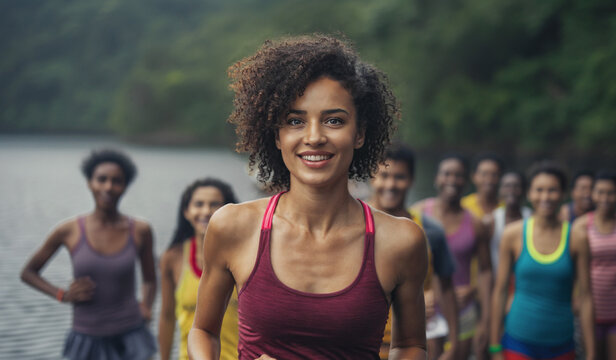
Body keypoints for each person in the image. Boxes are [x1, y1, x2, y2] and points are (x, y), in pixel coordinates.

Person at [188, 34, 428, 360]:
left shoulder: (401, 240)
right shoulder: (233, 226)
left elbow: (410, 345)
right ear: (276, 135)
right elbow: (203, 331)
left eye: (334, 120)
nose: (314, 137)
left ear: (359, 133)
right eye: (295, 121)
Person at [20, 149, 157, 360]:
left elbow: (149, 279)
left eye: (116, 181)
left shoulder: (140, 230)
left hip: (131, 336)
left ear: (125, 186)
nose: (108, 187)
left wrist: (146, 306)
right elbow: (28, 273)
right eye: (101, 179)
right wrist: (61, 294)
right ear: (89, 183)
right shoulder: (69, 230)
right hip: (86, 337)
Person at [490, 161, 595, 360]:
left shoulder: (577, 238)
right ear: (529, 193)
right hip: (518, 342)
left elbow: (587, 297)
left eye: (552, 190)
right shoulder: (513, 234)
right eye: (539, 190)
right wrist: (495, 346)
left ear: (563, 194)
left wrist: (591, 353)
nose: (545, 197)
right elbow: (500, 290)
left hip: (561, 344)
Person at [369, 143, 459, 360]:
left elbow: (446, 288)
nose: (391, 184)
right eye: (384, 175)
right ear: (372, 177)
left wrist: (454, 344)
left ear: (411, 180)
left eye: (399, 177)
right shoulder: (352, 223)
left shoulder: (430, 230)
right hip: (363, 344)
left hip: (415, 345)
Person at [412, 154, 492, 360]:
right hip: (425, 310)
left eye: (458, 175)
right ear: (436, 178)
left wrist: (474, 292)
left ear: (466, 181)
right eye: (446, 174)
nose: (452, 180)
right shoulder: (418, 213)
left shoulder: (475, 223)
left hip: (463, 310)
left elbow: (485, 269)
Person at [159, 178, 239, 360]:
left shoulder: (243, 256)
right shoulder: (173, 258)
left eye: (214, 204)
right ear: (186, 211)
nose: (206, 211)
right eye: (198, 204)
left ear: (228, 211)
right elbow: (166, 316)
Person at [573, 170, 616, 360]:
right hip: (590, 311)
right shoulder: (581, 226)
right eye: (600, 192)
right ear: (592, 194)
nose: (605, 198)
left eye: (610, 193)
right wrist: (574, 296)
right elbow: (573, 269)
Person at [484, 171, 532, 273]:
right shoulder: (491, 221)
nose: (511, 190)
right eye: (507, 186)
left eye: (516, 186)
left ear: (524, 191)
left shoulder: (532, 218)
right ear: (500, 191)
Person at [462, 153, 504, 218]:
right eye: (484, 174)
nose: (489, 180)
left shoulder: (506, 207)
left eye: (494, 175)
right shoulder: (463, 205)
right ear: (473, 176)